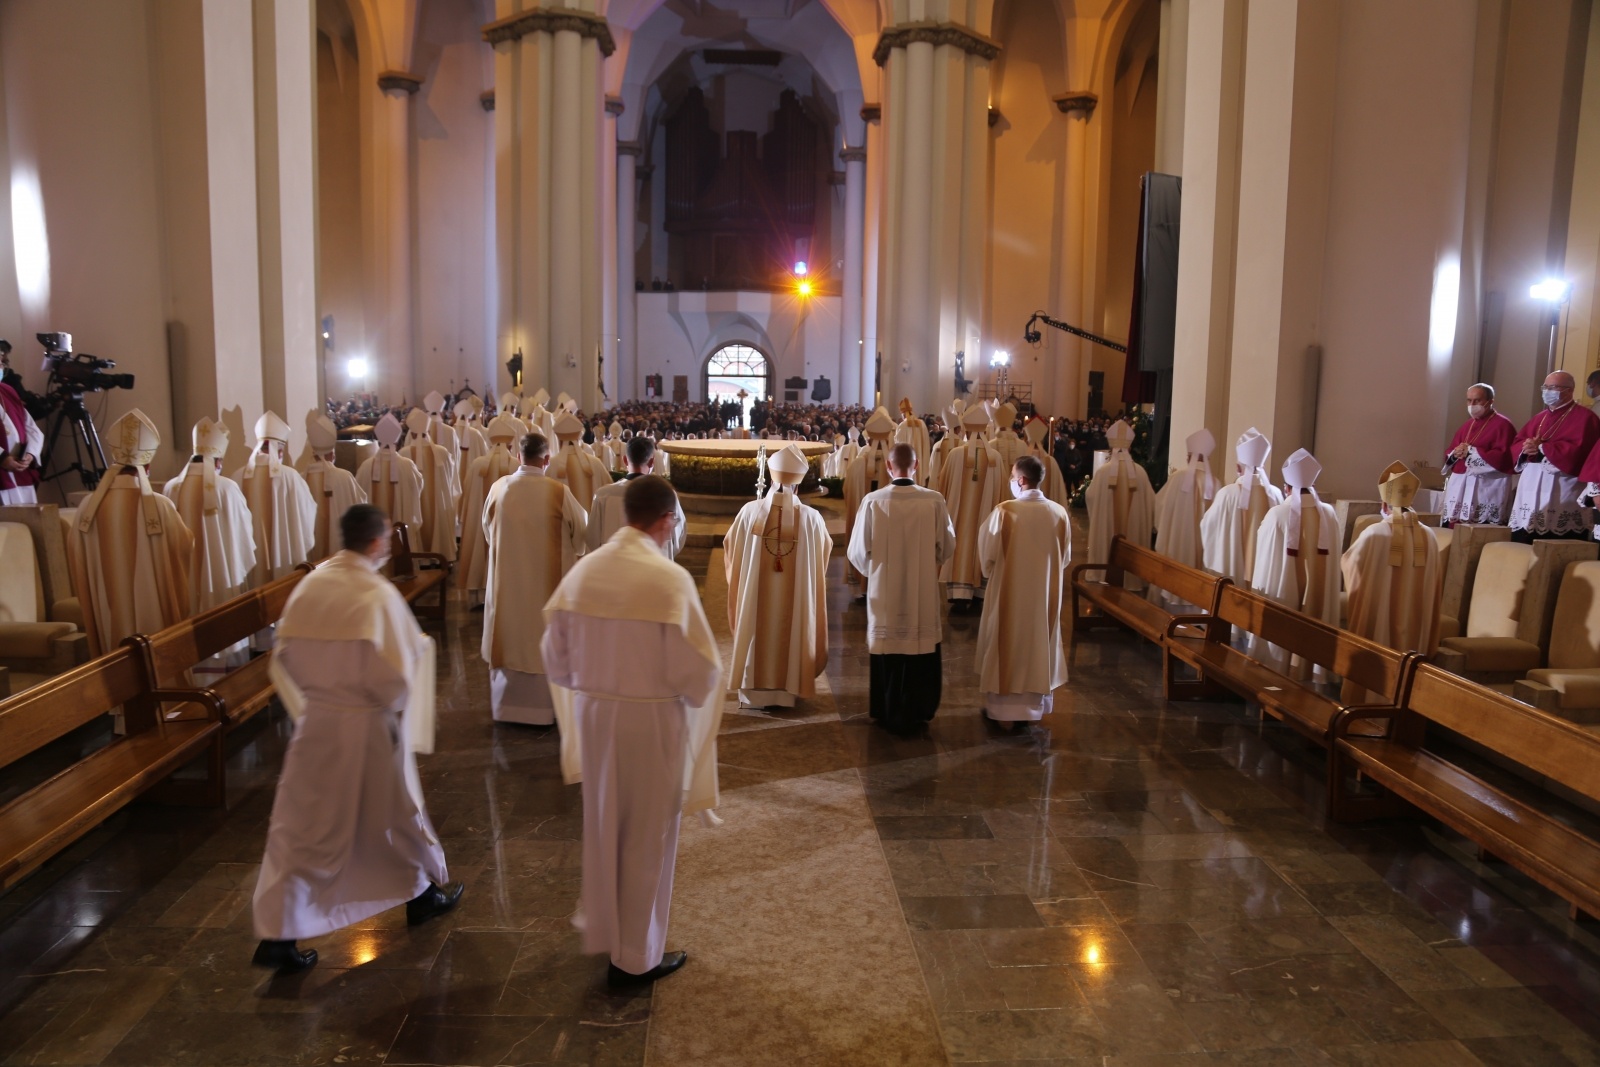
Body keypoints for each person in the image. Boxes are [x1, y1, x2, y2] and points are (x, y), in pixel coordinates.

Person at [251, 504, 462, 974]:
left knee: (301, 829)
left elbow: (282, 655)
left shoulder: (311, 586)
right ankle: (424, 895)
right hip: (367, 726)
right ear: (376, 541)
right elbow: (398, 672)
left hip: (317, 725)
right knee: (396, 813)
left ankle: (278, 933)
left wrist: (316, 698)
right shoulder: (374, 594)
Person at [543, 475, 723, 987]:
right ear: (666, 520)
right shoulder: (667, 580)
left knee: (606, 829)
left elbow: (554, 657)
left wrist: (595, 683)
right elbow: (702, 671)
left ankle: (609, 935)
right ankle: (636, 957)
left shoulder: (585, 571)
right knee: (648, 837)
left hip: (597, 717)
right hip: (651, 721)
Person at [847, 442, 955, 735]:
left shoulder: (873, 500)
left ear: (888, 467)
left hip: (885, 592)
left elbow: (857, 551)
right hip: (922, 592)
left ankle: (886, 710)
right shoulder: (933, 500)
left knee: (889, 648)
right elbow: (947, 546)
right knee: (920, 647)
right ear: (917, 466)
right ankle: (919, 710)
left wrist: (878, 571)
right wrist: (927, 563)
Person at [67, 409, 194, 657]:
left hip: (107, 608)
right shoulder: (159, 505)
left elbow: (75, 554)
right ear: (147, 465)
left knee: (114, 652)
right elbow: (183, 547)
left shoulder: (87, 507)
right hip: (152, 609)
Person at [481, 432, 587, 725]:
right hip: (545, 591)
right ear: (547, 459)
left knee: (510, 637)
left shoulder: (499, 488)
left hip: (507, 589)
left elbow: (488, 532)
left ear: (519, 456)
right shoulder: (558, 492)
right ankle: (546, 711)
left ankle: (507, 708)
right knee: (542, 637)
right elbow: (581, 533)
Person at [724, 444, 832, 711]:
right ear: (798, 483)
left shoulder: (749, 512)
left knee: (754, 621)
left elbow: (730, 548)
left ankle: (753, 692)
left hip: (755, 603)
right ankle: (789, 688)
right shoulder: (812, 519)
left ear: (772, 478)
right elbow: (822, 558)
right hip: (795, 600)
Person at [975, 456, 1071, 727]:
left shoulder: (1005, 511)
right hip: (1043, 599)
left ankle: (1002, 711)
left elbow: (987, 556)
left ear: (1020, 480)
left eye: (1012, 477)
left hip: (1008, 595)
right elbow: (1064, 558)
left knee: (1006, 643)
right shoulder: (1059, 513)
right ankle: (1031, 710)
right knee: (1038, 645)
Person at [1341, 462, 1442, 702]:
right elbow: (1435, 585)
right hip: (1415, 624)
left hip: (1379, 624)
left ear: (1383, 504)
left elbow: (1350, 567)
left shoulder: (1374, 534)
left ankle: (1368, 705)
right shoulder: (1429, 536)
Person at [1251, 448, 1342, 681]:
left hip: (1284, 595)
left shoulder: (1277, 514)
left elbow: (1263, 554)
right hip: (1317, 598)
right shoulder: (1330, 515)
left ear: (1286, 488)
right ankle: (1312, 675)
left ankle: (1276, 673)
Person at [163, 416, 256, 613]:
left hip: (184, 576)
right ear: (219, 461)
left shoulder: (171, 487)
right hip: (221, 578)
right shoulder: (227, 488)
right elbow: (243, 532)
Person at [1509, 371, 1600, 541]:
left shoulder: (1586, 418)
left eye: (1553, 387)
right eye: (1545, 387)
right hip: (1531, 484)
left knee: (1555, 540)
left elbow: (1581, 453)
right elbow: (1517, 442)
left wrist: (1543, 448)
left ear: (1569, 390)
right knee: (1524, 538)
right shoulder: (1539, 418)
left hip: (1562, 488)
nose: (1547, 391)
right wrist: (1525, 448)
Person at [230, 411, 316, 587]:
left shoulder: (237, 476)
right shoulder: (290, 476)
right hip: (283, 561)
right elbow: (307, 513)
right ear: (280, 450)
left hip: (250, 562)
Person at [938, 404, 1003, 609]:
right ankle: (979, 594)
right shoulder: (996, 458)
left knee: (960, 546)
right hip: (987, 515)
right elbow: (1002, 492)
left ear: (964, 428)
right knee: (982, 543)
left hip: (957, 517)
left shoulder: (956, 454)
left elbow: (943, 485)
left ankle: (959, 594)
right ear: (985, 429)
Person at [1201, 427, 1282, 587]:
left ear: (1238, 468)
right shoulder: (1276, 494)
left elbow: (1207, 527)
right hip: (1265, 581)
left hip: (1232, 577)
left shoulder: (1227, 494)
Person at [457, 413, 522, 606]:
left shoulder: (477, 464)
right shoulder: (516, 465)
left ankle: (478, 597)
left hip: (479, 522)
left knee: (479, 547)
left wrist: (465, 516)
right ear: (510, 445)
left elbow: (467, 494)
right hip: (508, 524)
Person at [1083, 420, 1156, 589]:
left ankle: (1102, 573)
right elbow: (1152, 502)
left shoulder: (1103, 472)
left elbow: (1090, 496)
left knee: (1107, 542)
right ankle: (1133, 579)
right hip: (1134, 532)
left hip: (1106, 530)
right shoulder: (1140, 472)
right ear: (1129, 448)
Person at [588, 436, 685, 558]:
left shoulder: (603, 495)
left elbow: (592, 538)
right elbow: (678, 537)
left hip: (613, 567)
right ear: (651, 462)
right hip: (655, 566)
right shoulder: (666, 494)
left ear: (625, 460)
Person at [1441, 383, 1517, 527]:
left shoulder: (1503, 425)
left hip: (1486, 487)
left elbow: (1504, 457)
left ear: (1490, 401)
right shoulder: (1467, 425)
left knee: (1479, 529)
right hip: (1461, 485)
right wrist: (1456, 453)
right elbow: (1450, 452)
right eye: (1469, 400)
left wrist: (1471, 452)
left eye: (1477, 400)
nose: (1472, 404)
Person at [301, 411, 366, 561]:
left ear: (313, 451)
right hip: (341, 558)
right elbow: (361, 510)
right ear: (333, 452)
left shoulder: (300, 479)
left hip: (309, 560)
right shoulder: (345, 477)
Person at [1153, 429, 1218, 574]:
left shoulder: (1177, 478)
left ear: (1189, 457)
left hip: (1177, 546)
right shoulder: (1216, 483)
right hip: (1204, 550)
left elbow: (1159, 506)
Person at [844, 408, 897, 589]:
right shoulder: (897, 466)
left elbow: (847, 492)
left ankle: (862, 584)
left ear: (868, 439)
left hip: (864, 522)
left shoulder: (859, 464)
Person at [401, 408, 459, 561]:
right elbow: (452, 479)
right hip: (439, 505)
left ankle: (420, 559)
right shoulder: (442, 452)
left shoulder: (403, 455)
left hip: (415, 506)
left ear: (411, 433)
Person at [356, 413, 426, 538]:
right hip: (402, 524)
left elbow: (359, 495)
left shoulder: (366, 466)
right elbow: (418, 487)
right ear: (398, 440)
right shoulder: (407, 465)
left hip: (372, 534)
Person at [551, 409, 611, 511]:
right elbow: (609, 494)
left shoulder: (552, 465)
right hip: (593, 524)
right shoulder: (596, 463)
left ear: (559, 440)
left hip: (564, 526)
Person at [0, 368, 43, 505]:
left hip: (19, 471)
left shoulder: (7, 391)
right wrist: (2, 458)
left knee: (25, 525)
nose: (1, 366)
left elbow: (31, 428)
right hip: (2, 471)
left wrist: (30, 454)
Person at [896, 398, 932, 486]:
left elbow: (898, 445)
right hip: (921, 459)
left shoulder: (902, 425)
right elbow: (927, 443)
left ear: (903, 414)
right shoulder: (922, 423)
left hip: (908, 462)